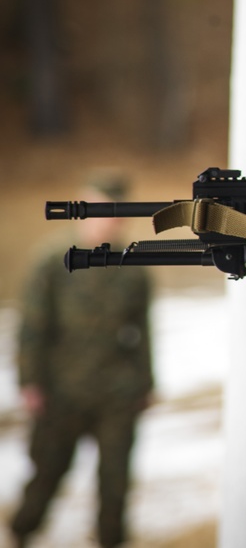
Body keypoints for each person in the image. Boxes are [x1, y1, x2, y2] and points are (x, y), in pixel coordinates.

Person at [9, 173, 154, 548]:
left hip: (116, 392)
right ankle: (21, 533)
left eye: (113, 212)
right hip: (62, 390)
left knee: (115, 483)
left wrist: (146, 384)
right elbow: (32, 328)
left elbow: (143, 333)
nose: (106, 219)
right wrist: (29, 382)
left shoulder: (133, 267)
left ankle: (110, 541)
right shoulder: (54, 261)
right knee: (47, 475)